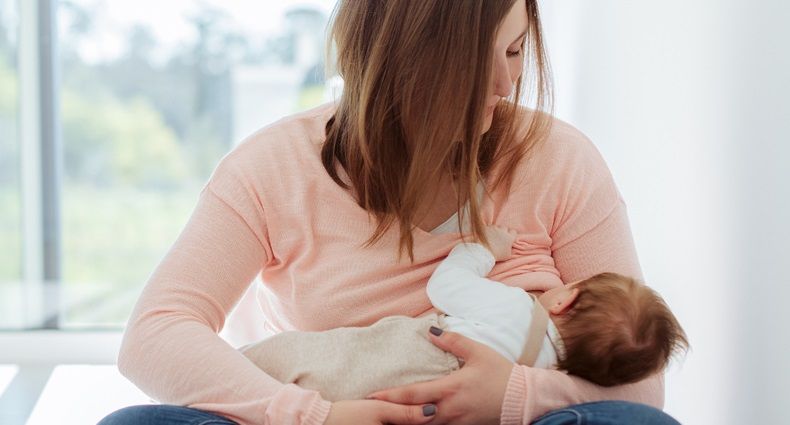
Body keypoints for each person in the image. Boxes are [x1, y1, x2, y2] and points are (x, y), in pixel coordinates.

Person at [99, 1, 683, 424]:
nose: (508, 83)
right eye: (484, 59)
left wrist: (518, 396)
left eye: (516, 50)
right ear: (403, 58)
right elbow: (153, 335)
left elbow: (641, 381)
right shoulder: (270, 168)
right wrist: (314, 418)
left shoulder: (559, 159)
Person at [237, 225, 689, 402]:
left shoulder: (517, 308)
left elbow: (446, 287)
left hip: (401, 354)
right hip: (422, 398)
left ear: (563, 299)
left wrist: (481, 250)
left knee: (296, 358)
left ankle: (236, 370)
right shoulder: (550, 374)